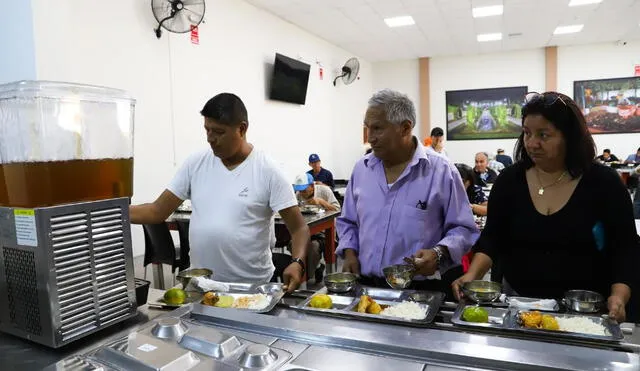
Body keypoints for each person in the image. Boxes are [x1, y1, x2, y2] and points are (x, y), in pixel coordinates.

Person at [452, 92, 640, 322]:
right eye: (527, 133)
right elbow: (492, 239)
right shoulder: (510, 181)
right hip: (519, 305)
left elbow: (625, 249)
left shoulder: (603, 183)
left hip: (585, 309)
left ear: (569, 137)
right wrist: (472, 275)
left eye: (544, 135)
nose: (532, 143)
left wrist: (619, 296)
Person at [129, 93, 310, 293]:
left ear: (242, 129)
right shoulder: (195, 164)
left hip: (250, 289)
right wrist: (110, 212)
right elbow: (157, 211)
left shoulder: (268, 171)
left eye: (218, 132)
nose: (210, 138)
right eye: (207, 130)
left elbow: (299, 228)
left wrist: (297, 261)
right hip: (201, 286)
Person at [337, 89, 479, 300]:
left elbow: (464, 228)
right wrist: (349, 252)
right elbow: (348, 221)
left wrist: (439, 253)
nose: (370, 138)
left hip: (420, 292)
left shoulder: (440, 171)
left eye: (377, 129)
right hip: (366, 288)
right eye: (367, 128)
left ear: (405, 128)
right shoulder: (362, 169)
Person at [293, 173, 341, 282]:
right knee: (293, 244)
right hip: (306, 231)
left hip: (324, 232)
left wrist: (322, 202)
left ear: (312, 186)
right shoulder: (298, 194)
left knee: (313, 247)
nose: (301, 193)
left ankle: (304, 277)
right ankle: (315, 268)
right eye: (300, 190)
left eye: (304, 190)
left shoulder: (325, 191)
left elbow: (338, 210)